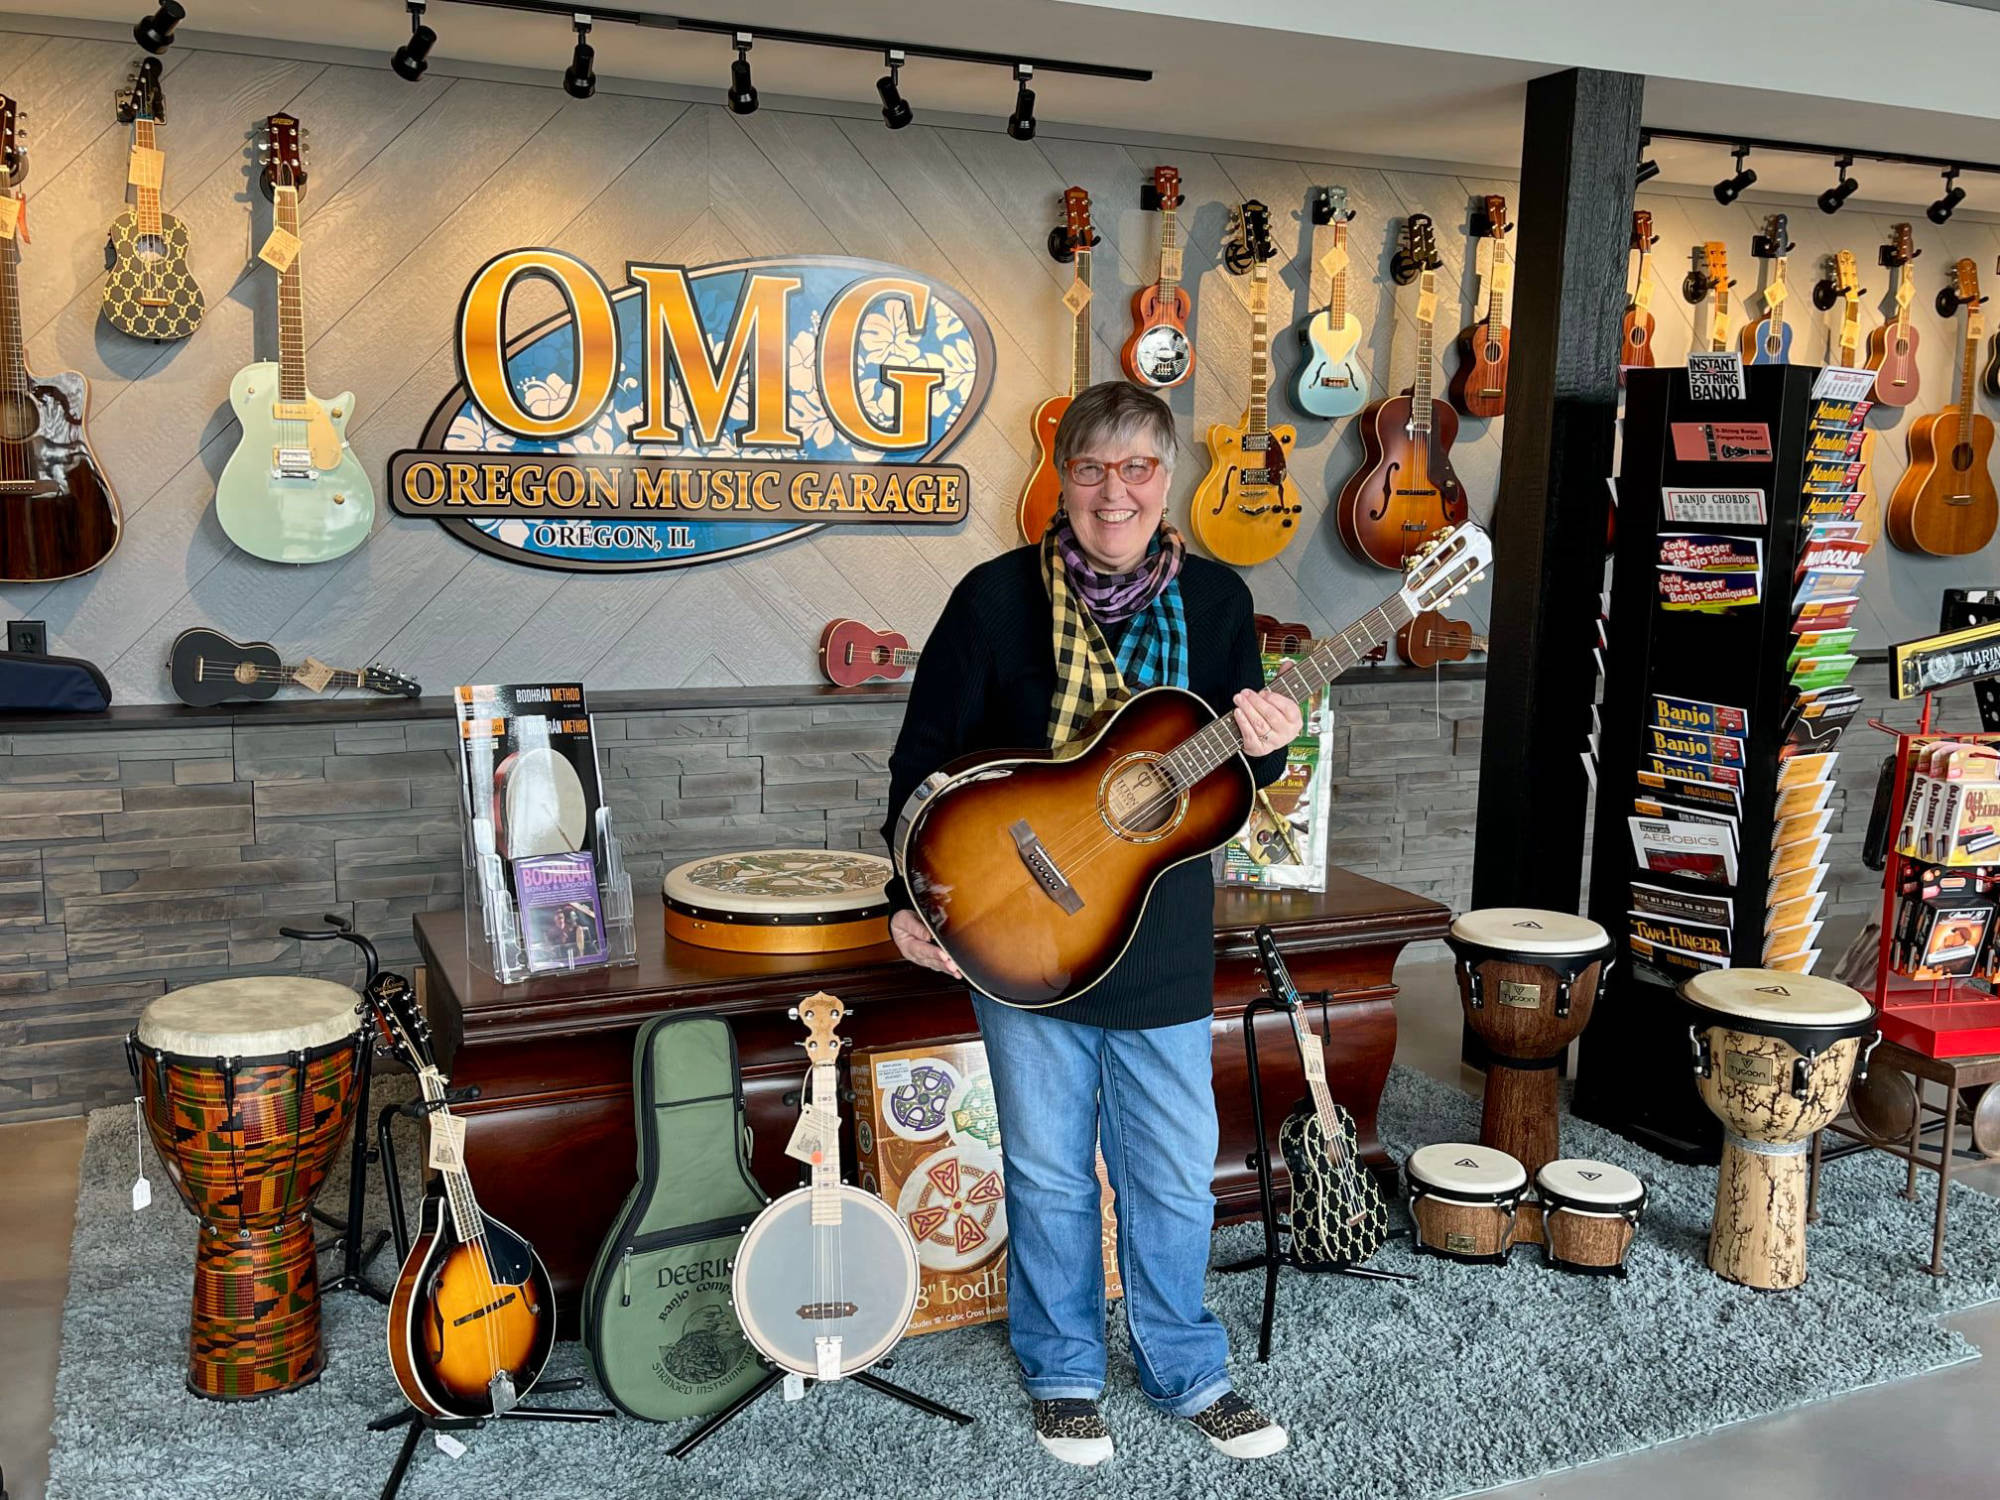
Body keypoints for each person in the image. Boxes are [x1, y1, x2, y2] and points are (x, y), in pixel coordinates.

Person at [881, 382, 1302, 1467]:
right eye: (1091, 469)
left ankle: (1187, 1370)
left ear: (1168, 480)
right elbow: (921, 764)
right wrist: (907, 900)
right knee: (1049, 1172)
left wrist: (1271, 742)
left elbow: (1236, 784)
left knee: (1171, 1175)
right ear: (1059, 479)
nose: (1115, 493)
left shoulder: (1218, 603)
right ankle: (1063, 1371)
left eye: (1137, 469)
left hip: (1159, 940)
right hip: (1024, 934)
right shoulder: (992, 600)